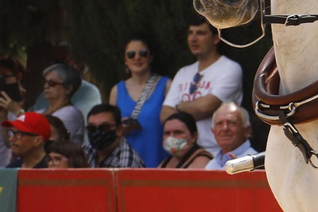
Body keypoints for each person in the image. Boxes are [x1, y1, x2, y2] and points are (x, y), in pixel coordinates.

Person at [161, 17, 243, 155]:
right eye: (190, 33)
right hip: (186, 154)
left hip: (218, 153)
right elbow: (164, 115)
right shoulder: (183, 72)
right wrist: (192, 109)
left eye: (200, 33)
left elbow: (205, 107)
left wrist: (178, 107)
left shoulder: (229, 68)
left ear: (215, 38)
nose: (193, 38)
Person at [110, 36, 171, 169]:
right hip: (126, 162)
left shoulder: (166, 85)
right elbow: (109, 131)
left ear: (150, 57)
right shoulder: (116, 91)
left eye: (143, 53)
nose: (137, 58)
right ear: (125, 60)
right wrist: (120, 128)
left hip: (158, 159)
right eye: (131, 54)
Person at [38, 64, 87, 146]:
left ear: (68, 88)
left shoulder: (71, 113)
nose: (45, 86)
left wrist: (17, 110)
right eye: (45, 82)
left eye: (51, 83)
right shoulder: (40, 112)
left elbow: (37, 136)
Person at [85, 104, 144, 169]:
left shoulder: (126, 163)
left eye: (104, 127)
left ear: (119, 130)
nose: (97, 132)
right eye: (91, 128)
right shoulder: (85, 150)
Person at [205, 102, 258, 170]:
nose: (225, 128)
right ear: (213, 131)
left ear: (247, 130)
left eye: (232, 123)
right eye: (219, 123)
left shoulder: (256, 163)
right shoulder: (211, 165)